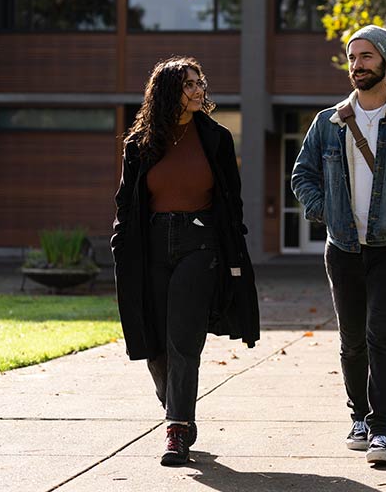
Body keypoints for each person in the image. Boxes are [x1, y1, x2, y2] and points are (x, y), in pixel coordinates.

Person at [291, 25, 386, 465]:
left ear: (384, 60)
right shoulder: (329, 122)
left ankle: (382, 432)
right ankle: (358, 417)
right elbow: (302, 176)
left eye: (365, 57)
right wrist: (326, 210)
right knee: (351, 340)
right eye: (351, 58)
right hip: (342, 248)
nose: (356, 65)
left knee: (381, 334)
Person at [111, 56, 259, 466]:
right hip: (151, 246)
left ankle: (176, 429)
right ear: (167, 92)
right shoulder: (139, 143)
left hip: (201, 245)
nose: (198, 90)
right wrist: (120, 249)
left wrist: (232, 254)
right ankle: (175, 403)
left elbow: (232, 202)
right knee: (153, 339)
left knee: (183, 339)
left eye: (200, 83)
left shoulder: (215, 138)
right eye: (189, 84)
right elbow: (126, 205)